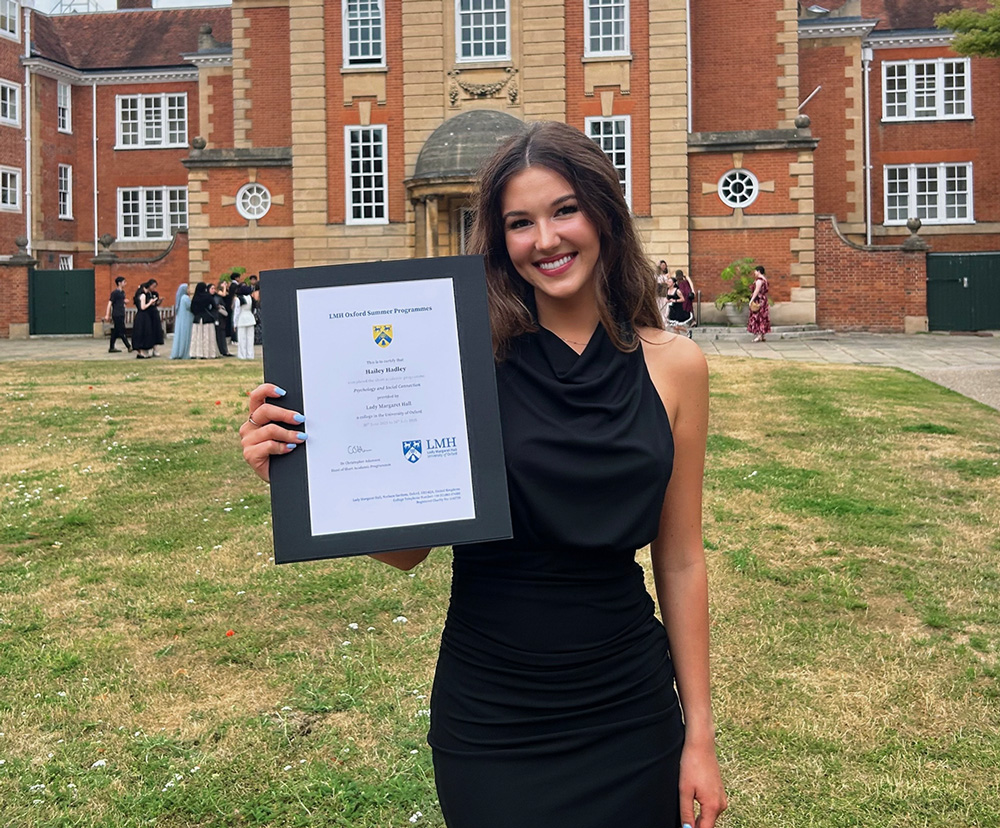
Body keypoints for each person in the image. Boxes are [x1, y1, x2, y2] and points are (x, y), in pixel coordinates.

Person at [239, 121, 726, 828]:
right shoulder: (458, 360)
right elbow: (408, 551)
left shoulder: (675, 365)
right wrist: (298, 471)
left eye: (564, 210)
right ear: (499, 241)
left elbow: (680, 560)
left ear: (604, 213)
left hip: (629, 704)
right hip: (494, 713)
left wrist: (700, 738)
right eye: (519, 223)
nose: (547, 240)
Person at [189, 282, 218, 359]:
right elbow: (214, 307)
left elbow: (192, 308)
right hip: (207, 318)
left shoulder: (195, 297)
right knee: (207, 336)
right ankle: (208, 353)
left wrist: (197, 313)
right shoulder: (208, 296)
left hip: (198, 319)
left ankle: (195, 353)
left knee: (197, 336)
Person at [102, 276, 131, 353]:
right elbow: (110, 303)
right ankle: (128, 346)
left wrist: (125, 301)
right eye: (124, 282)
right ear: (119, 283)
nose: (125, 283)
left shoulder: (122, 293)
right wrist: (107, 314)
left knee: (116, 331)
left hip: (121, 313)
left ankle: (111, 347)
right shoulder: (114, 293)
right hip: (116, 314)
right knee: (121, 331)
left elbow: (121, 301)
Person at [131, 281, 157, 359]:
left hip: (140, 316)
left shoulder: (138, 295)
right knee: (143, 332)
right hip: (143, 316)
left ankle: (142, 352)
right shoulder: (142, 295)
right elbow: (143, 307)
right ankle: (142, 351)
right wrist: (150, 302)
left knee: (141, 333)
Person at [747, 264, 771, 342]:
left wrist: (751, 300)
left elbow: (756, 291)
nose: (754, 272)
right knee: (763, 316)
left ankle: (759, 335)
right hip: (764, 300)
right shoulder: (765, 280)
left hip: (759, 300)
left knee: (758, 317)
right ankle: (762, 335)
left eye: (755, 271)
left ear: (759, 271)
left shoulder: (759, 281)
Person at [170, 283, 193, 359]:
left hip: (181, 320)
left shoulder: (180, 299)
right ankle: (184, 352)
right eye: (188, 288)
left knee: (180, 335)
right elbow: (190, 307)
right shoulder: (185, 298)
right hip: (186, 319)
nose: (189, 290)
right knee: (186, 335)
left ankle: (178, 352)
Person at [211, 282, 232, 356]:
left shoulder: (220, 296)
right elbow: (223, 294)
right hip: (219, 317)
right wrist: (224, 287)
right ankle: (223, 350)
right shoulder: (217, 296)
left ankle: (224, 350)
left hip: (224, 315)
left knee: (222, 333)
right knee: (220, 334)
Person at [235, 287, 255, 359]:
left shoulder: (239, 299)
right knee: (250, 339)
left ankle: (242, 355)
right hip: (250, 318)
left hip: (242, 318)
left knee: (242, 338)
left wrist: (235, 323)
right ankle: (250, 355)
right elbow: (254, 309)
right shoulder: (251, 298)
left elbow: (237, 312)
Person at [147, 280, 165, 357]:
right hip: (148, 313)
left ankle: (155, 349)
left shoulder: (155, 294)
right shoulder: (146, 293)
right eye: (153, 286)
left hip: (154, 313)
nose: (154, 288)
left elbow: (156, 304)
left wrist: (159, 301)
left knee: (156, 331)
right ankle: (147, 348)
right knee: (148, 331)